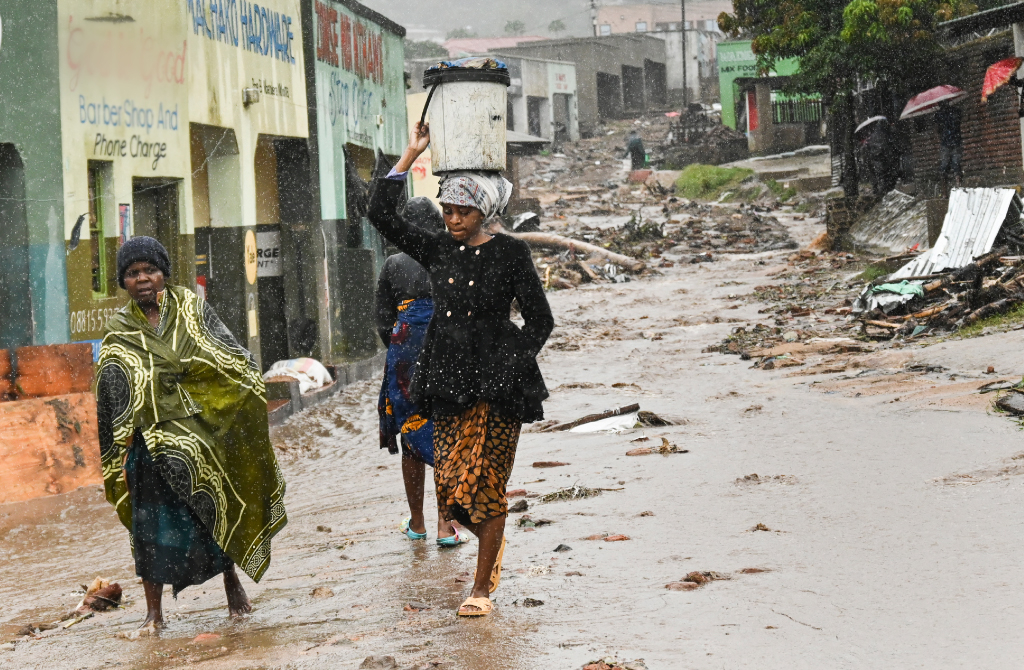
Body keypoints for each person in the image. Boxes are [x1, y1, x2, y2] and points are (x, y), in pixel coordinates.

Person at [368, 122, 554, 617]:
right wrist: (410, 155)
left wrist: (509, 368)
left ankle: (481, 588)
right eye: (447, 210)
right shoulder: (438, 249)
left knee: (482, 485)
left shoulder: (512, 253)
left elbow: (540, 320)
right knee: (451, 490)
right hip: (445, 384)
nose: (452, 219)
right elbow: (379, 213)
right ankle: (491, 545)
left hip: (498, 389)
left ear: (484, 211)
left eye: (462, 211)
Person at [95, 236, 287, 632]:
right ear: (123, 282)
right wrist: (124, 439)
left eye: (150, 270)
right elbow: (111, 394)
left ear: (164, 273)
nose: (143, 279)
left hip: (204, 439)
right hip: (148, 448)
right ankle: (154, 613)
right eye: (133, 273)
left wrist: (214, 405)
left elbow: (233, 361)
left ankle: (233, 586)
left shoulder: (192, 310)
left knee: (213, 513)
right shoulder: (118, 334)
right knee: (150, 530)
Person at [376, 197, 466, 547]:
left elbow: (384, 320)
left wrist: (403, 349)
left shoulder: (393, 263)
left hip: (405, 356)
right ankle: (447, 526)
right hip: (447, 348)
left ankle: (417, 523)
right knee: (446, 430)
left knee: (411, 434)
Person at [936, 100, 964, 189]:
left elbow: (938, 130)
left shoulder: (939, 115)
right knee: (956, 164)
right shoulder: (956, 111)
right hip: (956, 141)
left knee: (944, 167)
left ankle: (944, 192)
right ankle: (958, 186)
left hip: (945, 143)